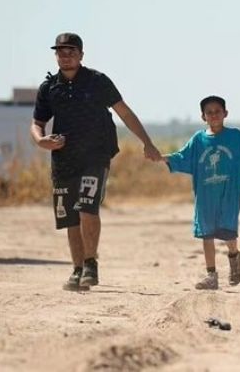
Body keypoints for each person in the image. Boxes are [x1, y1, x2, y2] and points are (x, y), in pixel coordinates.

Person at [31, 32, 162, 291]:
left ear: (81, 55)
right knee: (70, 217)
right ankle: (77, 269)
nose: (65, 56)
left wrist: (146, 142)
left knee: (87, 208)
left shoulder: (97, 81)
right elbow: (37, 123)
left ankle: (91, 264)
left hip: (95, 155)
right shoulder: (49, 88)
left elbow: (124, 111)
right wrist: (40, 141)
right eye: (60, 52)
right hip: (64, 160)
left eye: (70, 51)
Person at [164, 96, 240, 290]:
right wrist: (160, 158)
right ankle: (211, 275)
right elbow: (181, 157)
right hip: (205, 197)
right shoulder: (198, 140)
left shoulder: (236, 138)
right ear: (203, 116)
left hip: (229, 195)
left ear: (225, 113)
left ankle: (234, 255)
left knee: (228, 232)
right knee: (206, 233)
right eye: (209, 112)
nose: (214, 115)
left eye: (217, 111)